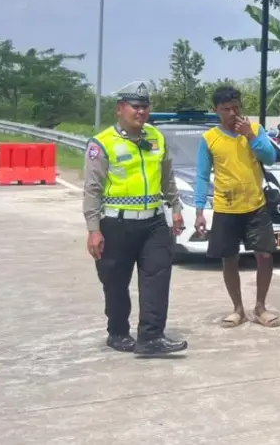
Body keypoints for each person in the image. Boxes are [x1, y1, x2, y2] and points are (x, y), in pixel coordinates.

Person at [82, 84, 188, 356]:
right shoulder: (102, 143)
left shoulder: (156, 137)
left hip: (153, 223)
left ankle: (151, 338)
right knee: (115, 282)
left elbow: (167, 177)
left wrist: (175, 207)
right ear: (120, 109)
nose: (141, 111)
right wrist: (94, 229)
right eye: (135, 106)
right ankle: (117, 332)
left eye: (145, 106)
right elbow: (92, 189)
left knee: (157, 279)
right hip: (116, 225)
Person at [194, 85, 280, 328]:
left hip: (256, 205)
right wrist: (199, 210)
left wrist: (251, 136)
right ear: (216, 111)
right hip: (226, 208)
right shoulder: (209, 139)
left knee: (264, 255)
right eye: (226, 109)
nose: (233, 113)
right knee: (229, 259)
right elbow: (201, 176)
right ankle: (238, 309)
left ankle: (261, 307)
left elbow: (271, 158)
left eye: (236, 107)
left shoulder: (255, 130)